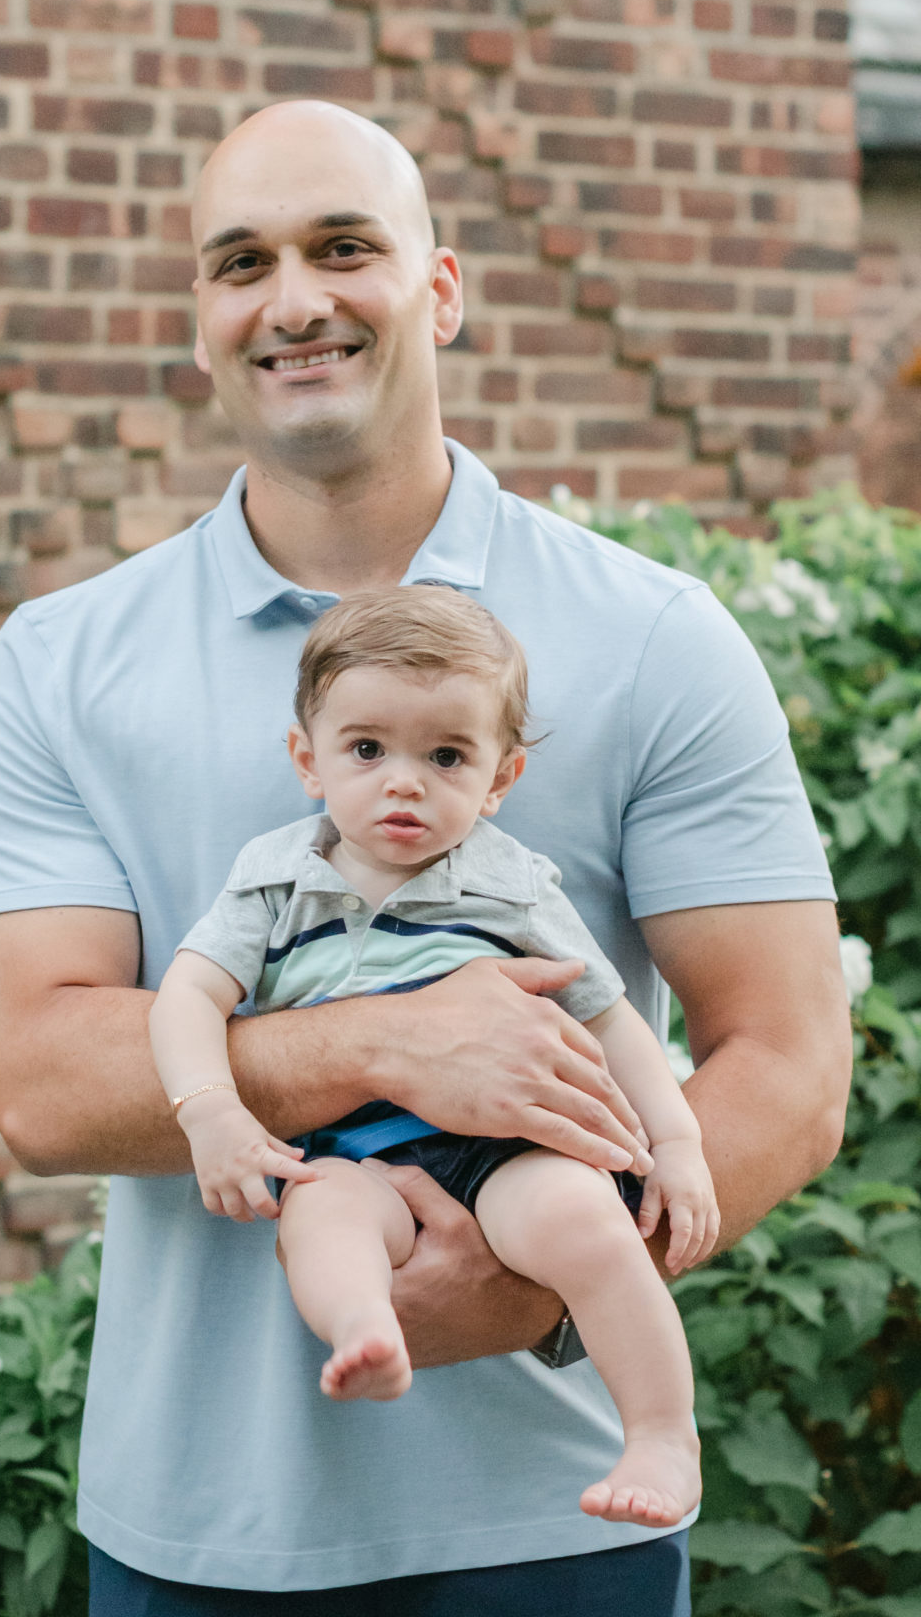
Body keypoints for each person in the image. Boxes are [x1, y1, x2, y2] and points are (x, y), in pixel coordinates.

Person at [0, 97, 852, 1617]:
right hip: (204, 1520)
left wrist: (533, 1276)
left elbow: (780, 1057)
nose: (294, 299)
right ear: (197, 319)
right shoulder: (62, 666)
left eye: (342, 246)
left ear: (436, 285)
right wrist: (380, 1043)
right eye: (238, 260)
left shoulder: (640, 637)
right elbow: (48, 1075)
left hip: (551, 1512)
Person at [153, 583, 717, 1527]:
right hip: (357, 1156)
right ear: (308, 759)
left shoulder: (508, 886)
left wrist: (678, 1142)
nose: (403, 781)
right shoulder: (275, 881)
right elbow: (187, 997)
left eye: (446, 755)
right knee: (320, 1221)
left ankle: (662, 1435)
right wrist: (210, 1111)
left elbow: (613, 1018)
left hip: (506, 1149)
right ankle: (368, 1328)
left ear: (500, 778)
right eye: (367, 750)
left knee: (586, 1224)